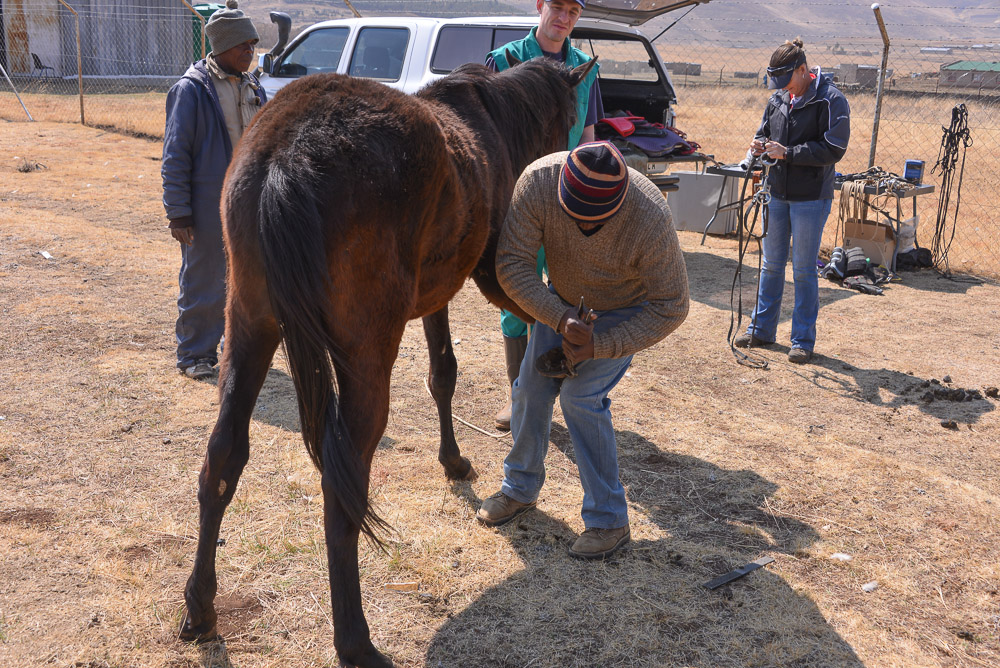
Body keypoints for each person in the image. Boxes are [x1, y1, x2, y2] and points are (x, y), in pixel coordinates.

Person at [477, 142, 689, 560]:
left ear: (619, 206)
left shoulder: (648, 215)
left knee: (580, 399)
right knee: (530, 389)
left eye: (594, 221)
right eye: (573, 216)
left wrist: (601, 344)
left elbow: (672, 305)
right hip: (562, 301)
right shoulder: (539, 181)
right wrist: (559, 318)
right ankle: (519, 488)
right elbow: (513, 263)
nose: (582, 226)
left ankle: (609, 519)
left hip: (623, 310)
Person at [485, 0, 603, 431]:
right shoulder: (504, 62)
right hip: (518, 197)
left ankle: (555, 390)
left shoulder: (585, 69)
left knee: (569, 291)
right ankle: (519, 395)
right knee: (517, 292)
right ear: (540, 5)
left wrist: (591, 190)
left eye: (573, 11)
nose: (564, 18)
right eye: (557, 6)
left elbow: (587, 134)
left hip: (569, 197)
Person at [161, 0, 266, 379]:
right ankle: (194, 355)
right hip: (207, 204)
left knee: (249, 279)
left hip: (249, 203)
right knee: (204, 279)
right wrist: (179, 213)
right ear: (221, 45)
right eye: (242, 45)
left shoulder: (253, 87)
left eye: (252, 45)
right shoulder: (192, 90)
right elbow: (175, 155)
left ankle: (236, 350)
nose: (249, 51)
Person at [735, 37, 850, 364]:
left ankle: (802, 340)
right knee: (771, 264)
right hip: (776, 193)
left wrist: (788, 153)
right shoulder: (778, 99)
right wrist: (759, 146)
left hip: (810, 197)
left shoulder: (831, 100)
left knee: (802, 270)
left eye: (788, 81)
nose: (785, 88)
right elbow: (765, 132)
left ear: (803, 70)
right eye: (779, 83)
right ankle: (761, 330)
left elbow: (834, 148)